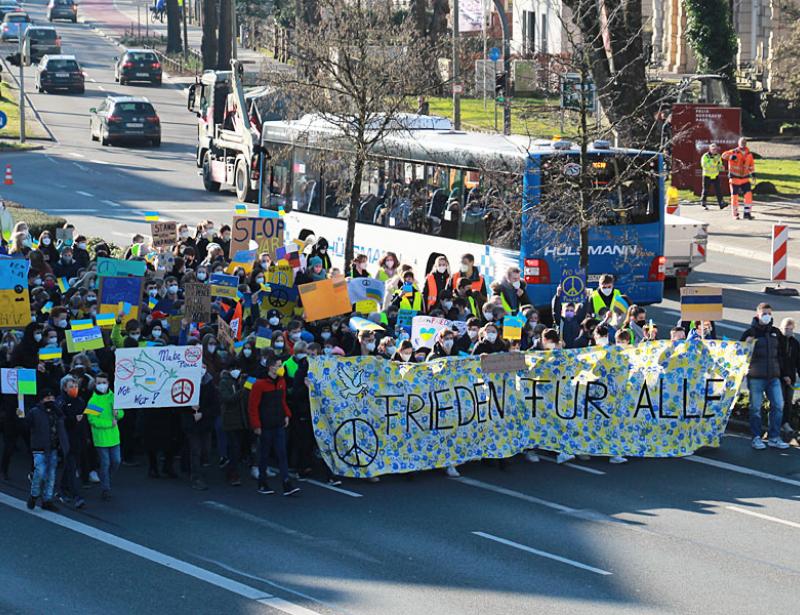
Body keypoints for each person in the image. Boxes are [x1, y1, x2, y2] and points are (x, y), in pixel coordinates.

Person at [740, 303, 791, 450]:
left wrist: (786, 373)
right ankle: (756, 437)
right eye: (764, 313)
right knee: (755, 408)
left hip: (773, 377)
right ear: (758, 315)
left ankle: (774, 437)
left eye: (769, 313)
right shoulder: (749, 332)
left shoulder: (775, 332)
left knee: (778, 405)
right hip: (756, 377)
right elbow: (739, 353)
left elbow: (782, 355)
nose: (767, 316)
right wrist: (747, 345)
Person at [247, 356, 300, 496]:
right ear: (271, 367)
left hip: (278, 423)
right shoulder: (260, 384)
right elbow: (253, 406)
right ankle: (262, 483)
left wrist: (287, 414)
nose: (281, 367)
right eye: (279, 365)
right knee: (264, 455)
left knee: (282, 454)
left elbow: (282, 401)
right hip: (265, 425)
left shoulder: (281, 382)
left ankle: (286, 483)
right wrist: (256, 425)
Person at [24, 387, 69, 511]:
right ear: (41, 400)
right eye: (47, 398)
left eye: (52, 398)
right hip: (39, 448)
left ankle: (47, 500)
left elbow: (62, 425)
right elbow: (25, 425)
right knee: (40, 472)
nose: (50, 400)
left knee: (51, 475)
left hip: (53, 448)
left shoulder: (57, 411)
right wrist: (21, 416)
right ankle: (34, 495)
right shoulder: (34, 412)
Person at [86, 373, 122, 501]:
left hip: (114, 437)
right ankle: (105, 488)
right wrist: (109, 423)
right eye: (99, 383)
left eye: (104, 382)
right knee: (105, 463)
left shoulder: (114, 397)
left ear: (108, 383)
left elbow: (121, 413)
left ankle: (106, 479)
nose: (102, 385)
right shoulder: (93, 400)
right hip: (101, 438)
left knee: (116, 461)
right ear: (95, 384)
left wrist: (118, 414)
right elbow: (92, 420)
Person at [183, 364, 219, 490]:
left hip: (206, 424)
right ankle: (196, 477)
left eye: (204, 367)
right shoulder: (187, 383)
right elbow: (179, 402)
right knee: (196, 451)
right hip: (192, 424)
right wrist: (189, 408)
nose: (202, 369)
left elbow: (216, 406)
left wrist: (203, 413)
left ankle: (195, 471)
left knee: (206, 451)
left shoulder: (210, 385)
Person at [55, 375, 87, 509]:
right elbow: (60, 421)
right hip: (66, 439)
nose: (74, 389)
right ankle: (77, 496)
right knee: (72, 466)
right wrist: (74, 419)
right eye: (71, 387)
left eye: (76, 386)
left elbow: (84, 420)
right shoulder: (61, 402)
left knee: (70, 466)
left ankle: (62, 489)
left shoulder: (80, 401)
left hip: (78, 439)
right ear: (64, 388)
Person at [722, 137, 756, 220]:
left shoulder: (749, 154)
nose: (743, 144)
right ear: (738, 143)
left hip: (745, 178)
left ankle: (747, 213)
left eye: (744, 142)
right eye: (741, 142)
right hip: (734, 178)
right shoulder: (733, 152)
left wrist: (753, 175)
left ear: (746, 143)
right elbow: (723, 156)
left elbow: (751, 165)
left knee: (748, 195)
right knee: (735, 196)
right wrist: (731, 157)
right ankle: (735, 214)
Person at [779, 318, 799, 437]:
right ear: (781, 328)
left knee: (788, 402)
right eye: (786, 328)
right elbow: (778, 360)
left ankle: (786, 424)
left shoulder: (795, 343)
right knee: (778, 403)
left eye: (791, 329)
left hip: (791, 379)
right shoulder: (777, 341)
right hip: (778, 377)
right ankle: (776, 425)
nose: (789, 331)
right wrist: (784, 375)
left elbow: (798, 362)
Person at [700, 143, 726, 210]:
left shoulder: (718, 156)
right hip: (707, 175)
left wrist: (721, 167)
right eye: (713, 149)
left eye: (715, 149)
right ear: (710, 149)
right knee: (705, 190)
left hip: (715, 175)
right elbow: (704, 165)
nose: (715, 150)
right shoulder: (705, 156)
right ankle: (703, 203)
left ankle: (721, 204)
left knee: (718, 190)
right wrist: (713, 163)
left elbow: (719, 164)